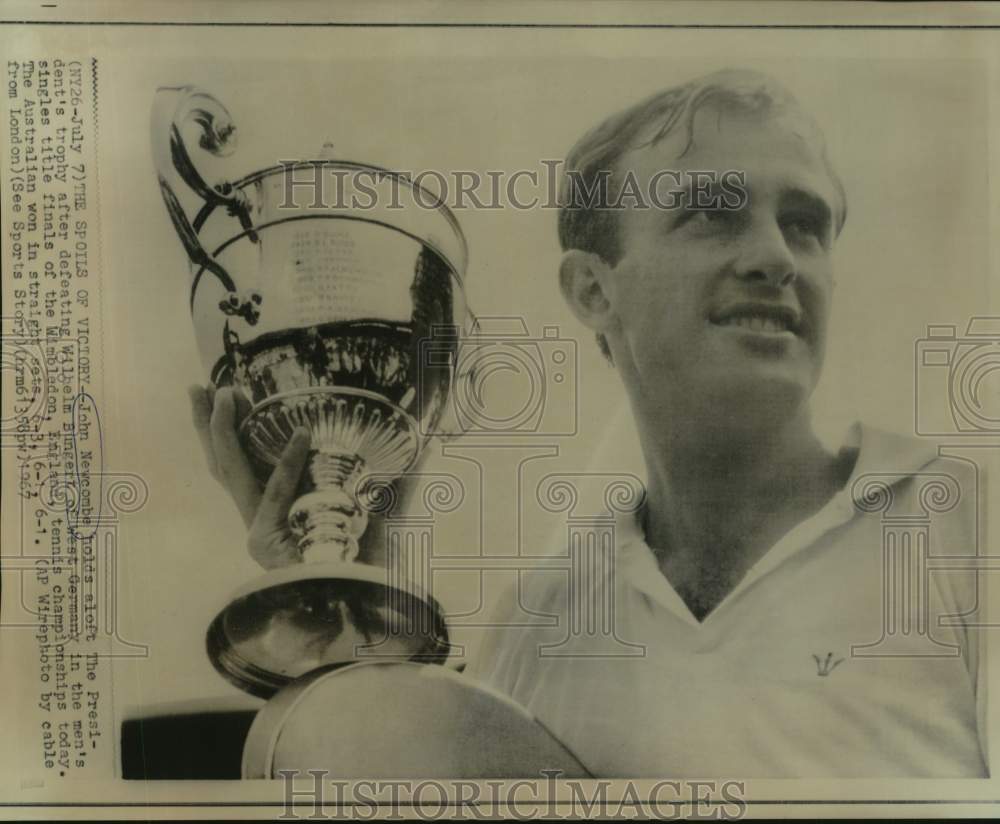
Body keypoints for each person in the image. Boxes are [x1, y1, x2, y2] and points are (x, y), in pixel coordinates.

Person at [190, 68, 987, 778]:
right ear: (594, 293)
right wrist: (344, 588)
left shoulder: (967, 528)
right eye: (713, 214)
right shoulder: (542, 624)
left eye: (805, 223)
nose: (777, 256)